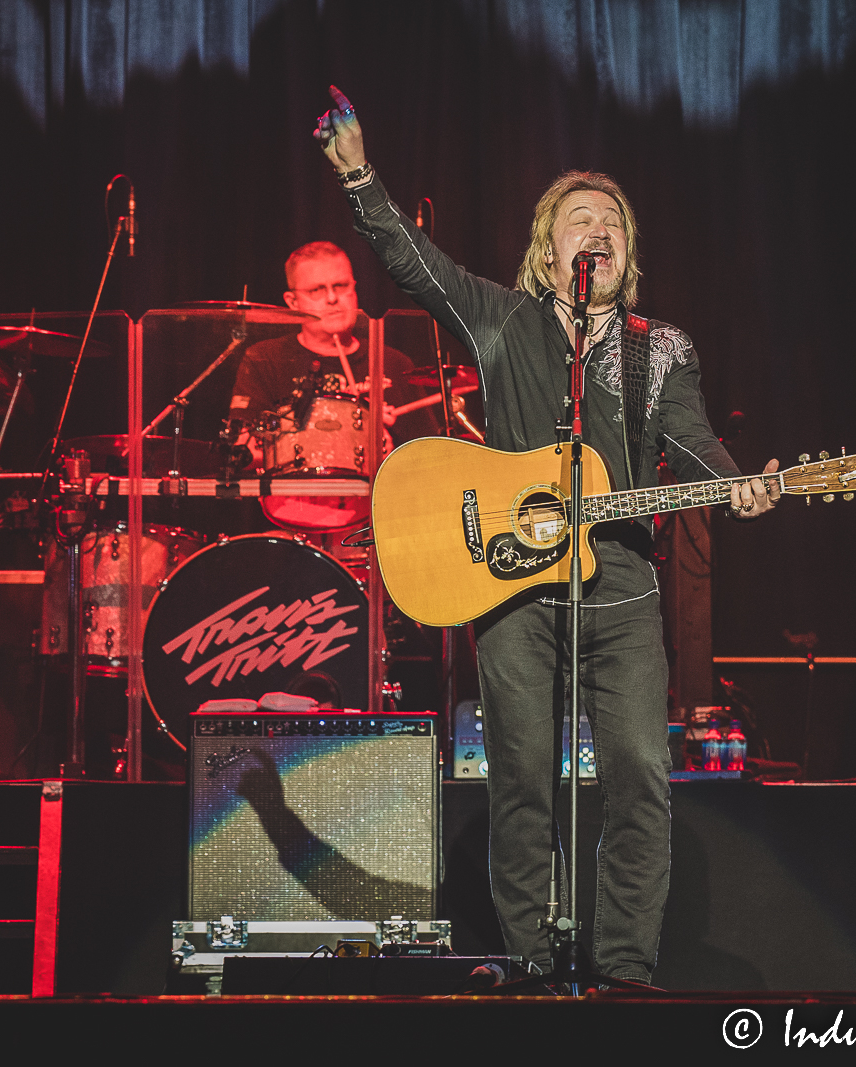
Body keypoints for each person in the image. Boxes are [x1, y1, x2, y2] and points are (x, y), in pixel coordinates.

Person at [313, 86, 780, 984]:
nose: (594, 229)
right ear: (548, 246)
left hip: (625, 589)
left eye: (610, 220)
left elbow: (692, 439)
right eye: (577, 218)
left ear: (626, 251)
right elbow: (416, 264)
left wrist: (741, 484)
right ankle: (530, 961)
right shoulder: (502, 321)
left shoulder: (661, 346)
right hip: (512, 586)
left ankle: (626, 969)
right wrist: (361, 177)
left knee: (642, 774)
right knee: (520, 776)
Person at [228, 240, 438, 458]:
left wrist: (394, 456)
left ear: (354, 288)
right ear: (293, 302)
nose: (332, 298)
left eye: (340, 286)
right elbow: (243, 450)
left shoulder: (393, 362)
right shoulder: (265, 359)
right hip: (293, 490)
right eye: (317, 290)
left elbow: (429, 458)